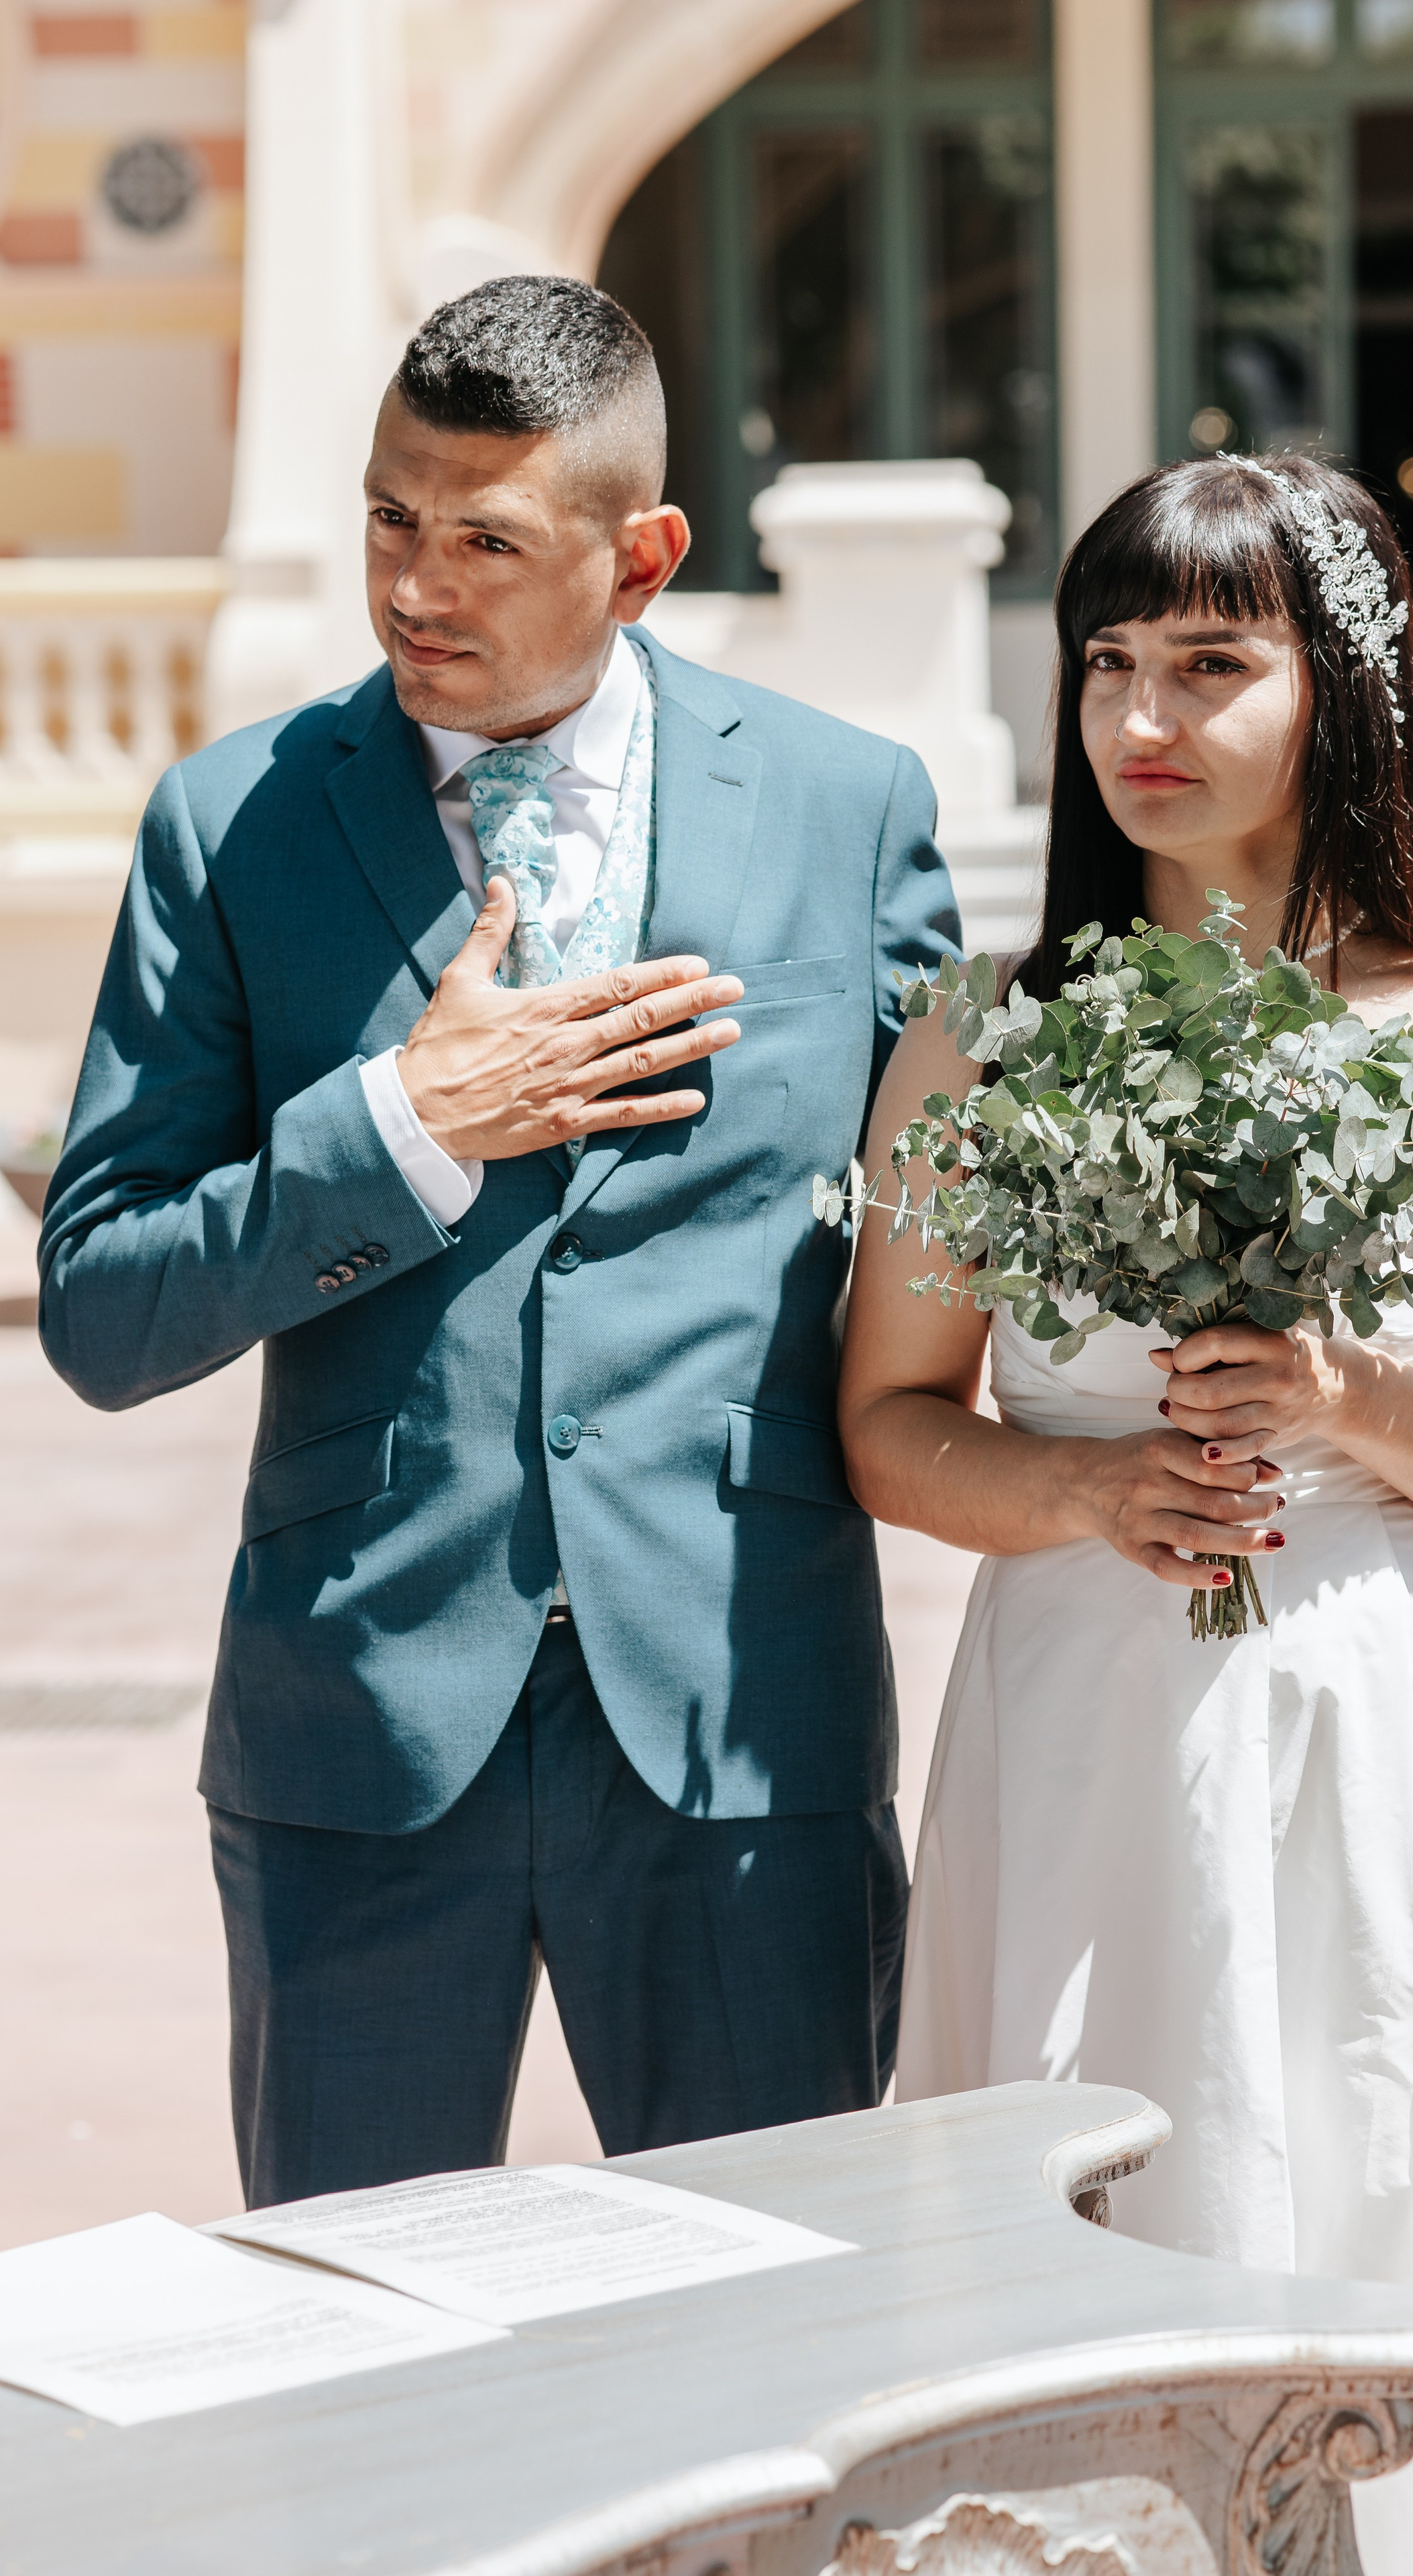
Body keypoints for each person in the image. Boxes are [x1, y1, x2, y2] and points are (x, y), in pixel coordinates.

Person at [838, 454, 1413, 2571]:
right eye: (1109, 662)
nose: (1143, 717)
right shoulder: (982, 1037)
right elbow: (888, 1416)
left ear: (1343, 687)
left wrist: (1345, 1392)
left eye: (1212, 664)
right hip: (1083, 1737)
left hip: (1407, 1742)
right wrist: (1076, 1480)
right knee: (1104, 2228)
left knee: (1409, 2193)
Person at [40, 275, 956, 2206]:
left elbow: (955, 1238)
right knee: (358, 2377)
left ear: (642, 559)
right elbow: (106, 1305)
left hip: (739, 1721)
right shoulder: (233, 826)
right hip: (355, 1729)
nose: (414, 587)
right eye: (390, 517)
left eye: (483, 540)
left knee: (780, 2345)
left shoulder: (847, 812)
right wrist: (395, 1131)